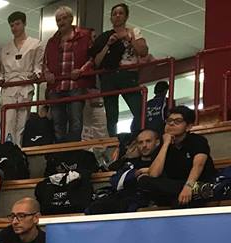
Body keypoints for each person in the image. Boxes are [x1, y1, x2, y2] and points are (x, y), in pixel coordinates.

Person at [135, 105, 217, 207]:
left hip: (198, 183)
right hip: (177, 186)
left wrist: (188, 186)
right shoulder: (163, 145)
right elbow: (154, 174)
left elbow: (198, 165)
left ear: (188, 126)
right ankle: (189, 194)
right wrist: (166, 144)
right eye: (169, 121)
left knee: (179, 201)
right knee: (144, 180)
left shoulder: (197, 140)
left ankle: (195, 191)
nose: (171, 124)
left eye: (177, 121)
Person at [91, 3, 148, 138]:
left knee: (139, 109)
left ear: (126, 16)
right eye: (114, 14)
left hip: (128, 74)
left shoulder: (134, 32)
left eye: (121, 13)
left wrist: (128, 38)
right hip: (109, 76)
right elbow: (96, 62)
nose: (117, 16)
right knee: (111, 115)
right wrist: (108, 44)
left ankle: (141, 136)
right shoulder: (105, 37)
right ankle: (113, 141)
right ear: (111, 18)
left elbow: (143, 51)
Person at [42, 6, 94, 144]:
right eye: (58, 20)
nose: (61, 22)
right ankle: (60, 152)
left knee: (75, 120)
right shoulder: (52, 41)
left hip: (76, 84)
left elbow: (92, 58)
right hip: (56, 86)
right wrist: (47, 74)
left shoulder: (84, 36)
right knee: (57, 122)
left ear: (71, 19)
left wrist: (81, 71)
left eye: (64, 18)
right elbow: (44, 63)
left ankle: (73, 151)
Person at [86, 128, 159, 214]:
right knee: (93, 208)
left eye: (148, 141)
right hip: (123, 198)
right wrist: (134, 171)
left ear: (157, 142)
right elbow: (114, 181)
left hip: (145, 200)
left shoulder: (161, 162)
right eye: (140, 142)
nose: (144, 145)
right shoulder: (130, 163)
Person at [0, 11, 44, 147]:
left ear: (24, 24)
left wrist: (36, 74)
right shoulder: (5, 49)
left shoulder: (36, 44)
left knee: (22, 123)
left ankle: (18, 151)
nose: (14, 28)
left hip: (25, 85)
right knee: (7, 121)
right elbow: (2, 72)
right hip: (9, 87)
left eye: (17, 24)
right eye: (11, 25)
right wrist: (0, 79)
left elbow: (38, 67)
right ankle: (7, 150)